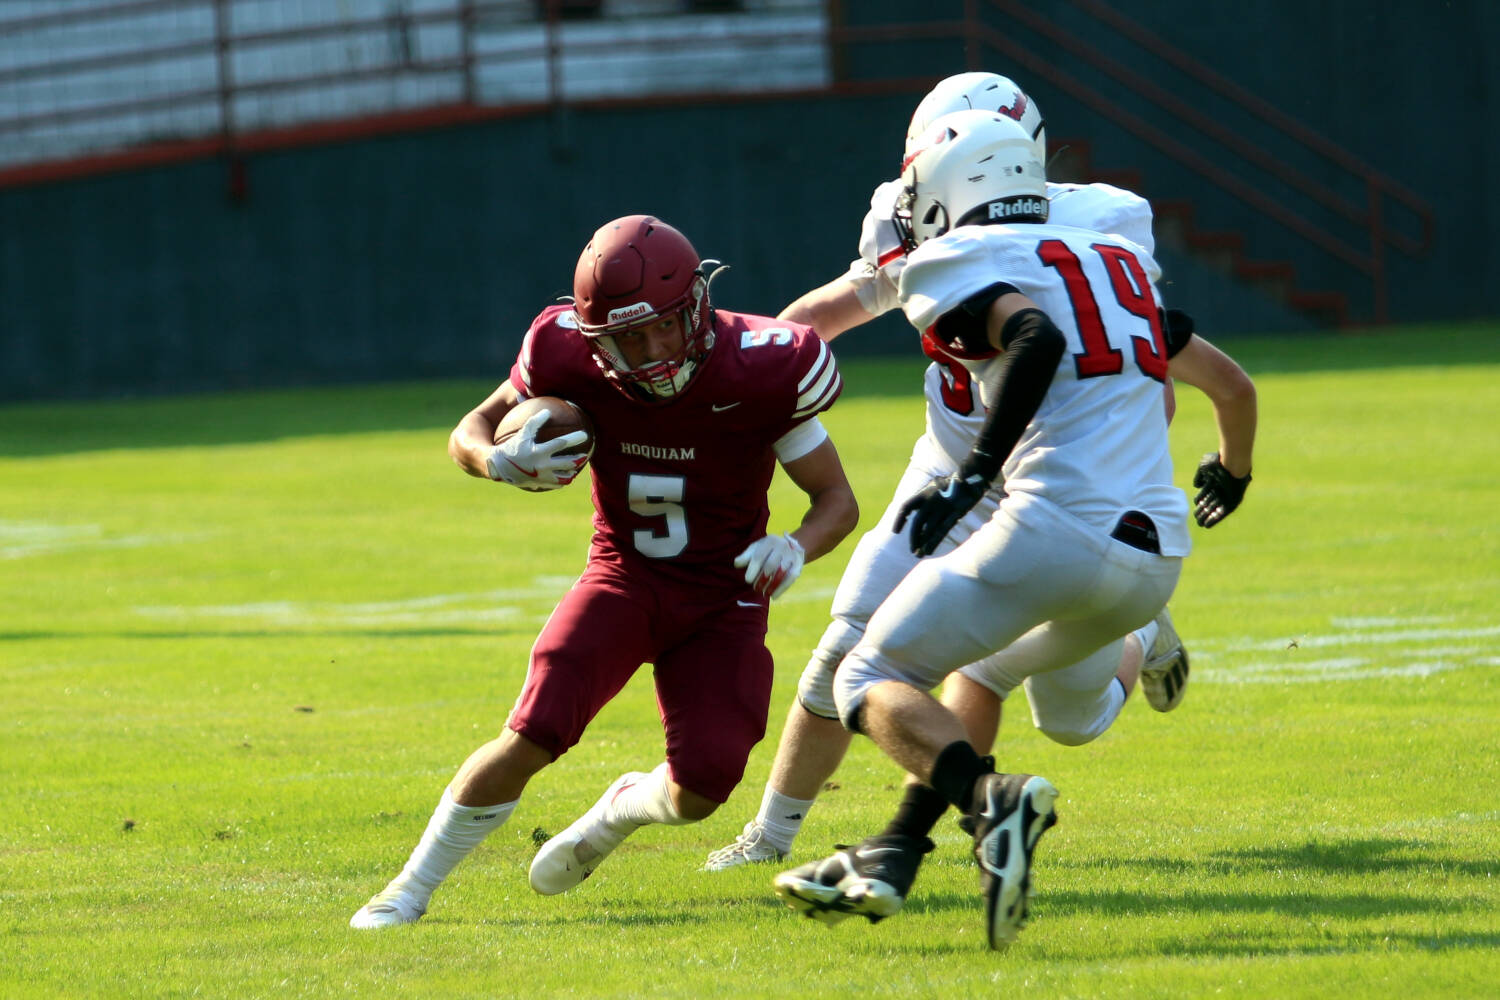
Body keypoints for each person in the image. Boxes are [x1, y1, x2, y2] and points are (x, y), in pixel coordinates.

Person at [770, 110, 1256, 949]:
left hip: (1051, 532)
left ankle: (991, 802)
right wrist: (1232, 472)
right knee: (983, 683)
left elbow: (1032, 338)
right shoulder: (1119, 258)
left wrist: (971, 475)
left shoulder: (964, 258)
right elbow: (1224, 385)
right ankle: (894, 854)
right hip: (1154, 556)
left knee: (866, 676)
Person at [349, 214, 859, 928]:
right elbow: (467, 429)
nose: (650, 353)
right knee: (532, 732)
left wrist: (797, 546)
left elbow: (837, 499)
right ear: (594, 337)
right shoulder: (561, 352)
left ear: (698, 307)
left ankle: (617, 813)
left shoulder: (764, 364)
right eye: (625, 337)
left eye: (663, 328)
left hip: (724, 598)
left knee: (704, 786)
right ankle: (407, 889)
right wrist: (493, 460)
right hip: (625, 577)